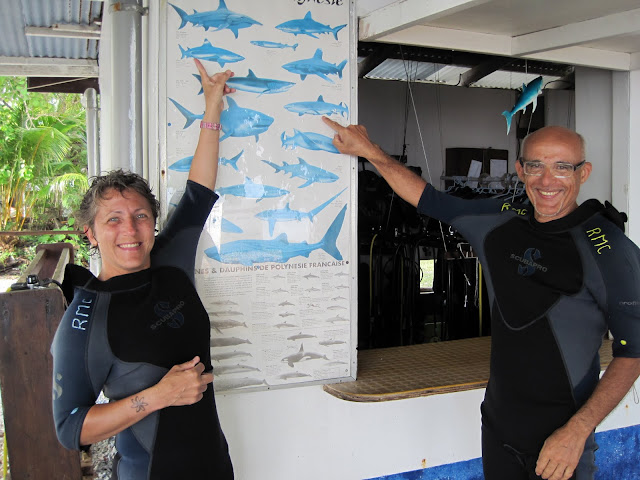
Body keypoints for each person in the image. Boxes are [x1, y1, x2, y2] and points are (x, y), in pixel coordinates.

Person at [322, 117, 640, 480]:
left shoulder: (609, 249)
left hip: (564, 442)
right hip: (499, 430)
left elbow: (633, 351)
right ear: (520, 170)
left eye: (562, 167)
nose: (547, 180)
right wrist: (370, 152)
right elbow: (428, 198)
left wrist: (577, 431)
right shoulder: (499, 221)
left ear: (584, 173)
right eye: (535, 166)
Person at [51, 59, 236, 479]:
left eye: (139, 216)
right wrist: (158, 396)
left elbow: (199, 193)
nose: (129, 230)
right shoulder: (85, 319)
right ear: (90, 232)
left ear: (153, 223)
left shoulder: (170, 262)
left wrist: (213, 104)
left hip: (215, 465)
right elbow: (70, 428)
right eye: (113, 219)